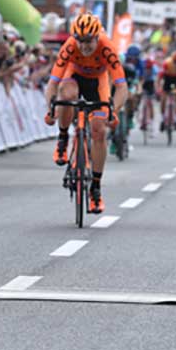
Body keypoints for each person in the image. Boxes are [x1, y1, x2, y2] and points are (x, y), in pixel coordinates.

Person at [44, 13, 128, 214]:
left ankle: (95, 189)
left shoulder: (108, 48)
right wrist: (51, 109)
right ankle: (63, 138)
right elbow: (53, 83)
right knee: (67, 94)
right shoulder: (69, 46)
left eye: (89, 41)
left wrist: (113, 111)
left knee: (99, 130)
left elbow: (122, 88)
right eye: (80, 41)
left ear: (97, 37)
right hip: (73, 76)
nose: (84, 46)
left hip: (98, 82)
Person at [156, 49, 176, 131]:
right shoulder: (167, 63)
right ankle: (163, 118)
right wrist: (159, 89)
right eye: (175, 61)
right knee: (163, 98)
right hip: (168, 78)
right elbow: (159, 78)